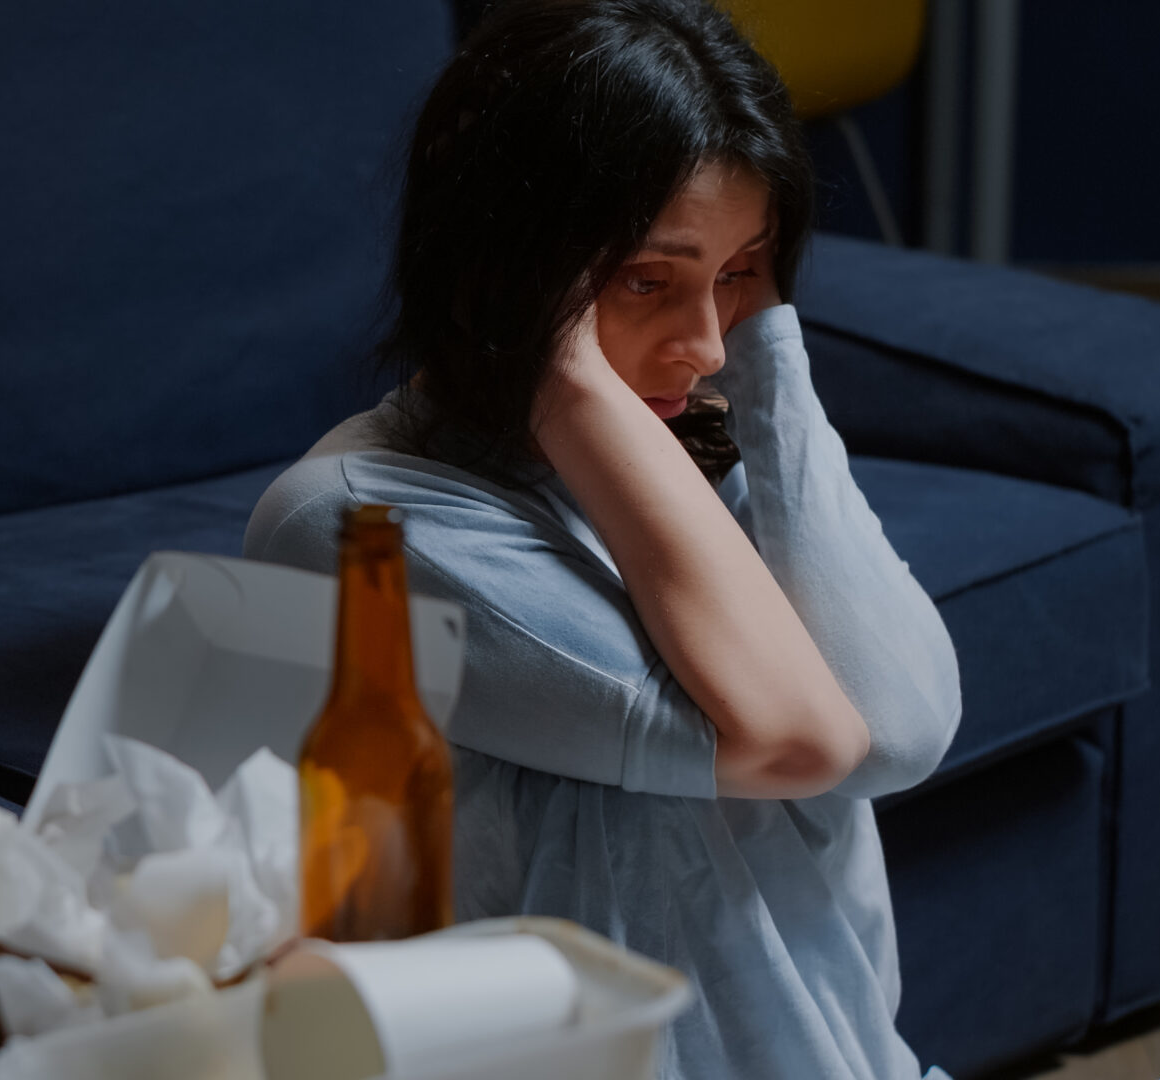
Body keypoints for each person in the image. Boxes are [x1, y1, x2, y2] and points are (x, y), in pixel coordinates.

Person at [242, 1, 963, 1077]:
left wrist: (771, 357)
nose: (707, 347)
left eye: (739, 273)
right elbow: (797, 741)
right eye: (646, 280)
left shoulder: (684, 450)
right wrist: (564, 376)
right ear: (509, 274)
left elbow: (899, 732)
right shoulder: (353, 528)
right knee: (662, 771)